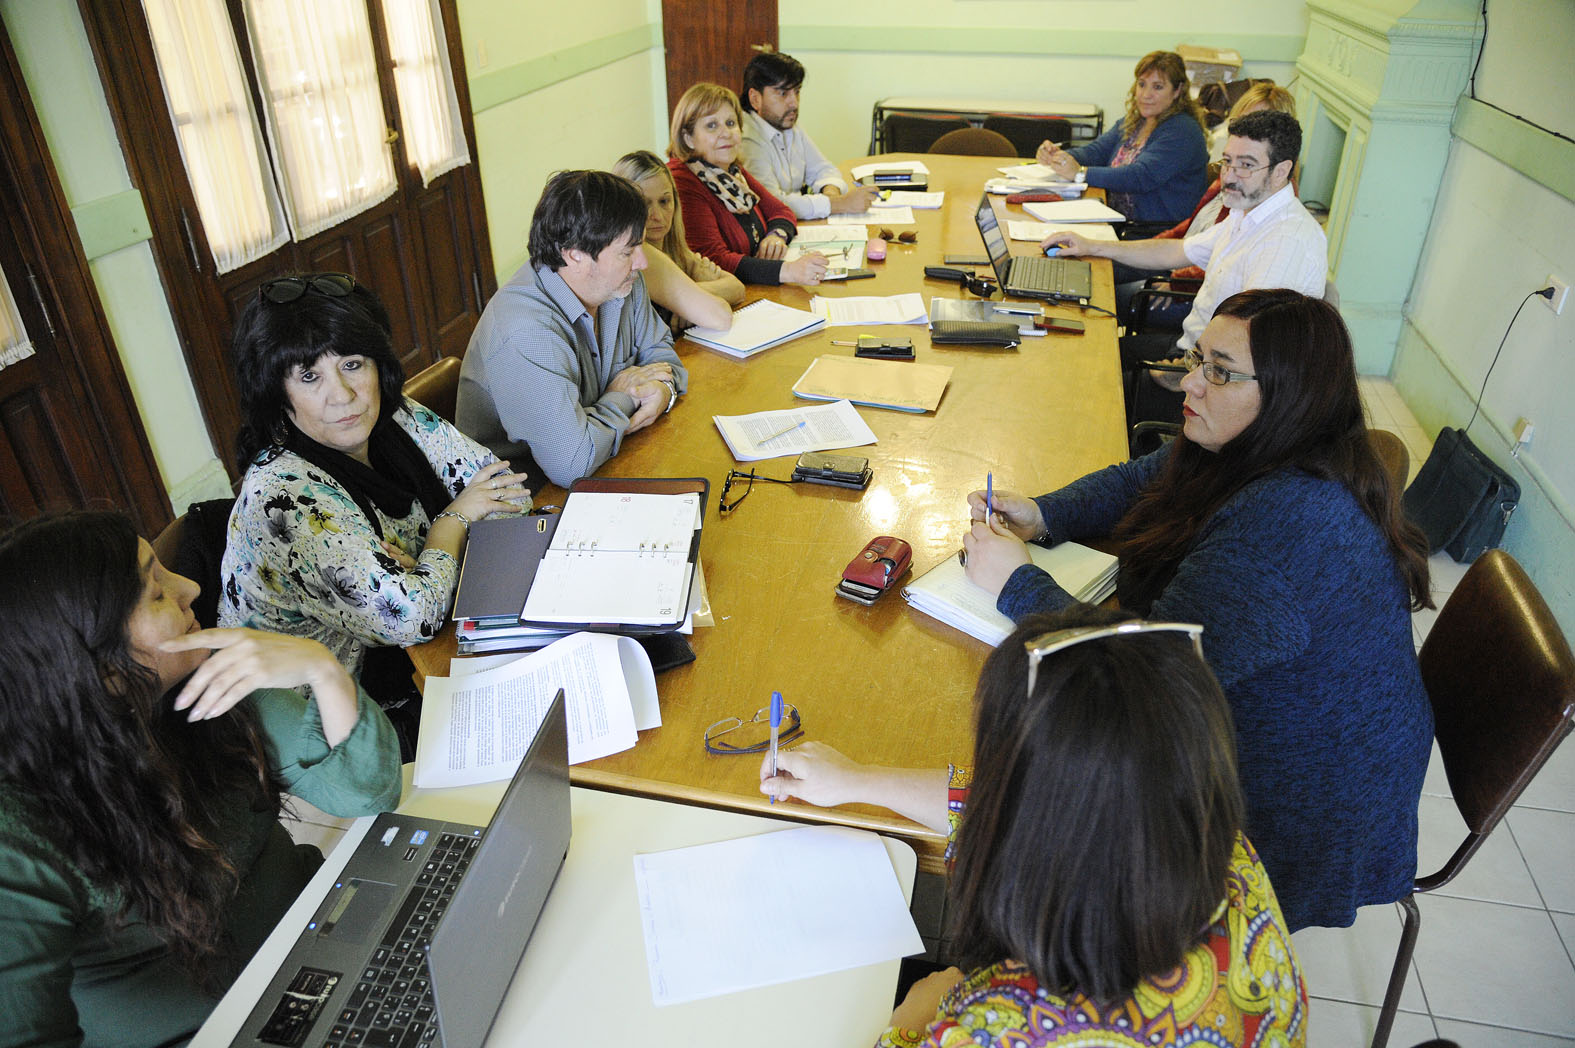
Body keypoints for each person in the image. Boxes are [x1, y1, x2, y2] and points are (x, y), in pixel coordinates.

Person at [958, 289, 1433, 932]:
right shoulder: (1260, 442)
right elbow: (1147, 476)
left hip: (1296, 806)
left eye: (1220, 371)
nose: (1191, 385)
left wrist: (1015, 582)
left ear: (1289, 394)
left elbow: (1144, 670)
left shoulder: (1291, 521)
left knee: (1045, 782)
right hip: (1257, 723)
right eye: (1197, 359)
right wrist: (1046, 513)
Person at [761, 606, 1306, 1046]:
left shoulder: (996, 1031)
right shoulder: (1225, 854)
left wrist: (911, 1020)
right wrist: (859, 780)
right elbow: (1046, 804)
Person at [0, 511, 403, 1047]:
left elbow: (368, 791)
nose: (190, 586)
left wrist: (321, 668)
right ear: (97, 667)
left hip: (333, 945)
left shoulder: (205, 691)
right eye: (156, 592)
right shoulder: (21, 834)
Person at [220, 274, 528, 715]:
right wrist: (451, 524)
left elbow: (512, 498)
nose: (343, 395)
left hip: (411, 665)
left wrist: (426, 566)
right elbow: (415, 615)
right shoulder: (284, 497)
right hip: (329, 728)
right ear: (277, 394)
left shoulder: (395, 413)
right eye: (309, 376)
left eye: (351, 364)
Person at [1046, 109, 1326, 426]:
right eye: (1228, 162)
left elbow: (1253, 345)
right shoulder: (1247, 213)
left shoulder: (1286, 240)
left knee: (1086, 395)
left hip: (1219, 387)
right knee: (1087, 357)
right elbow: (1177, 250)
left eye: (1246, 165)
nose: (1229, 176)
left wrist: (1190, 372)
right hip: (1192, 353)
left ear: (1281, 171)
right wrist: (1093, 246)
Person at [457, 170, 688, 489]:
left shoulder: (619, 283)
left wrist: (666, 390)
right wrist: (623, 396)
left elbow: (662, 353)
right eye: (627, 251)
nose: (642, 262)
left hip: (612, 459)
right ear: (575, 254)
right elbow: (571, 465)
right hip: (528, 498)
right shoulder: (525, 330)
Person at [667, 82, 829, 287]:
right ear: (688, 138)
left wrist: (776, 235)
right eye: (711, 125)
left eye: (730, 123)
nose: (725, 133)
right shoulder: (682, 182)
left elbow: (781, 210)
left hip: (756, 289)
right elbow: (714, 261)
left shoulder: (731, 171)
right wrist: (788, 271)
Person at [1036, 51, 1209, 229]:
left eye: (1157, 87)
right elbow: (1096, 152)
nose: (1145, 95)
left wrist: (1081, 173)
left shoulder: (1182, 130)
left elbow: (1140, 176)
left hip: (1152, 233)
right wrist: (1059, 156)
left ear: (1177, 91)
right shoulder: (1136, 121)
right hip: (1117, 221)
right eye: (1142, 85)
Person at [611, 150, 744, 331]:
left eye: (664, 201)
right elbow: (721, 312)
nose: (657, 215)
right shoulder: (639, 255)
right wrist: (689, 298)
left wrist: (689, 294)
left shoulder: (674, 248)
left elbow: (737, 288)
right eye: (644, 204)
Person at [736, 52, 876, 221]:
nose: (794, 103)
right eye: (783, 93)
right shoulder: (746, 140)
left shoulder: (786, 123)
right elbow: (772, 204)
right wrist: (840, 204)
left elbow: (823, 169)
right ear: (755, 98)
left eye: (797, 92)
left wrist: (831, 193)